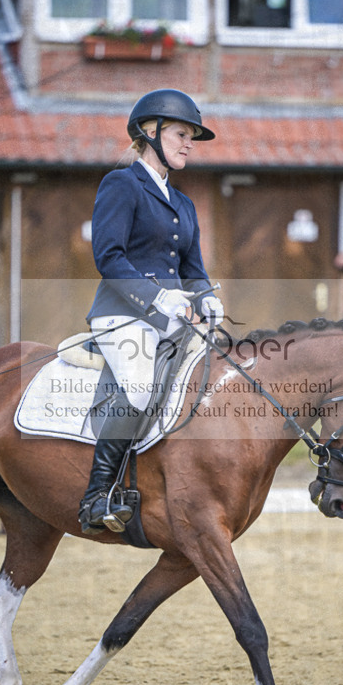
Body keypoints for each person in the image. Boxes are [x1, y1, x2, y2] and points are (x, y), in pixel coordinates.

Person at [79, 88, 224, 534]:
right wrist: (157, 296)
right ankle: (97, 496)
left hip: (170, 321)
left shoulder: (183, 203)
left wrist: (206, 297)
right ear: (150, 132)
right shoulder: (121, 184)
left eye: (192, 138)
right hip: (122, 315)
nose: (188, 144)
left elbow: (192, 269)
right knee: (141, 389)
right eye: (182, 134)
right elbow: (109, 257)